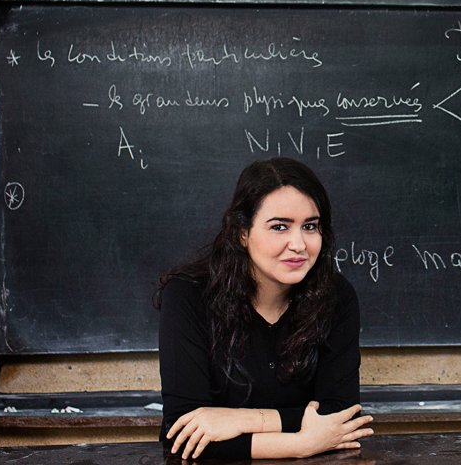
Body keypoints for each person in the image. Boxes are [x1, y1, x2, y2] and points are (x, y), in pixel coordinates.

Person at [155, 157, 374, 459]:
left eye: (310, 226)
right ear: (242, 233)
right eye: (279, 227)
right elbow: (182, 434)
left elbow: (342, 416)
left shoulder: (336, 296)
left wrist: (241, 419)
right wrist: (302, 443)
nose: (298, 244)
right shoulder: (188, 295)